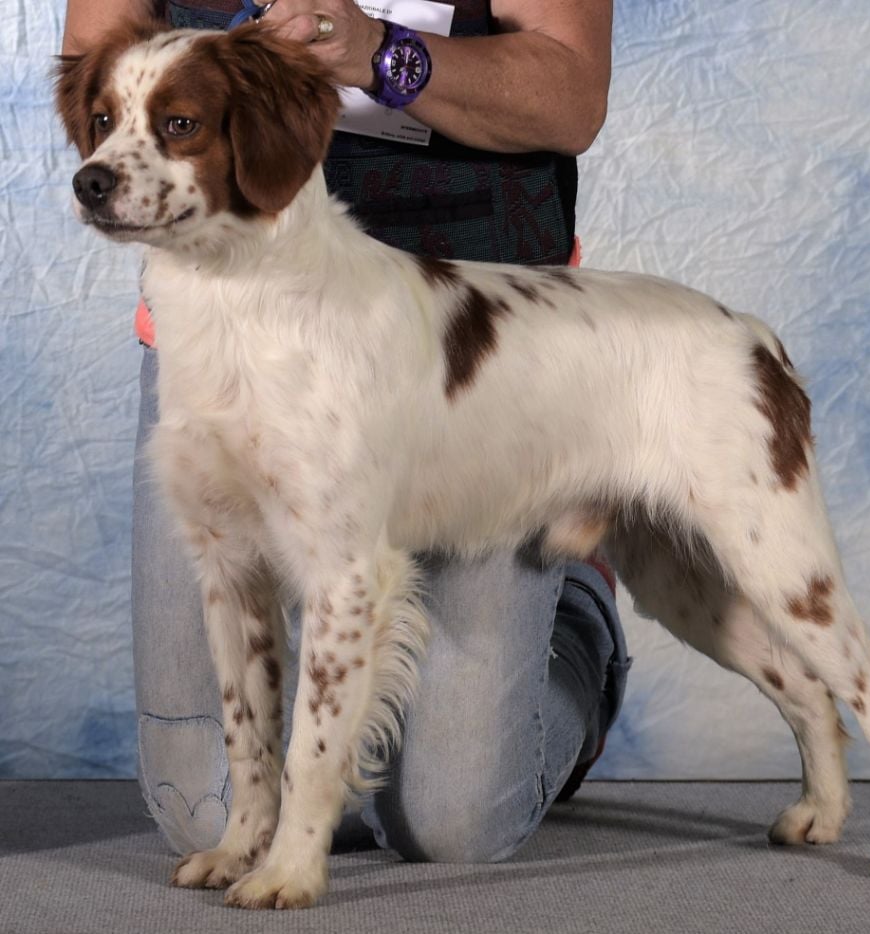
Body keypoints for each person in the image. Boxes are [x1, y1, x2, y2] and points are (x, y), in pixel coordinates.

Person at [61, 0, 630, 863]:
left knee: (451, 824)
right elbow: (93, 55)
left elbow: (569, 99)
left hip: (475, 332)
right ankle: (329, 774)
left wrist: (381, 51)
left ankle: (577, 617)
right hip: (228, 307)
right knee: (204, 816)